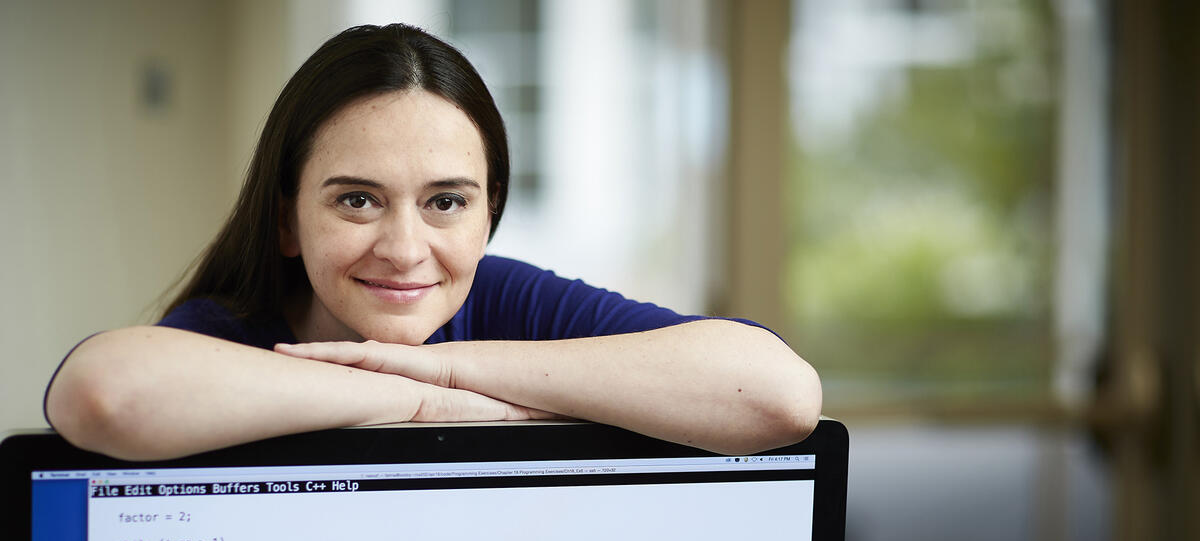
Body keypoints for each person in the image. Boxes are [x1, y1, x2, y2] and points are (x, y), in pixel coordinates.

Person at [45, 23, 820, 461]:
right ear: (285, 219)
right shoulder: (239, 333)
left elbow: (776, 396)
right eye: (357, 200)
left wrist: (451, 363)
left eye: (447, 201)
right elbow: (105, 393)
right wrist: (421, 399)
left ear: (489, 216)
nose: (406, 249)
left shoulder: (509, 298)